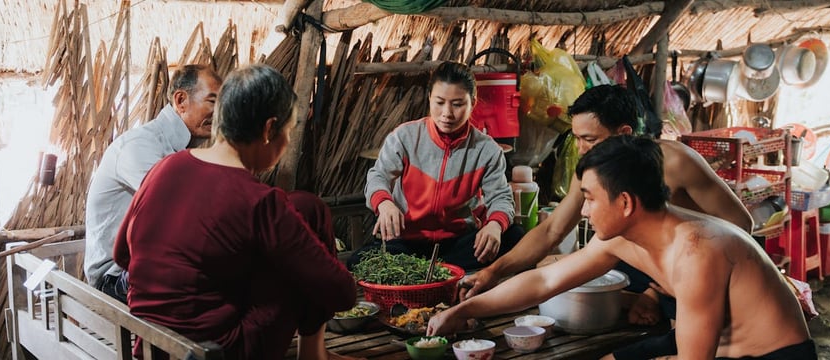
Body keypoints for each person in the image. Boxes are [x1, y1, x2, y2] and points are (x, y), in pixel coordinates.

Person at [428, 135, 815, 359]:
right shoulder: (621, 238)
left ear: (626, 203)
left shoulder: (698, 251)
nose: (584, 211)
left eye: (590, 199)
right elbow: (544, 281)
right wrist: (464, 309)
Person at [112, 64, 357, 359]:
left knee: (306, 205)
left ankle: (313, 353)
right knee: (297, 266)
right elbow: (342, 293)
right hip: (216, 353)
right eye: (289, 131)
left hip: (151, 348)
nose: (289, 142)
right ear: (269, 129)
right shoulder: (259, 200)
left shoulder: (165, 168)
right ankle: (313, 355)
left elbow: (122, 255)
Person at [460, 84, 752, 325]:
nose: (582, 149)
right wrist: (493, 272)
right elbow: (552, 231)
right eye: (576, 139)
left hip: (697, 275)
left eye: (589, 139)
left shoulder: (674, 162)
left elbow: (741, 226)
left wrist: (658, 289)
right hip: (636, 272)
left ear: (624, 133)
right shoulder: (592, 170)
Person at [348, 61, 524, 272]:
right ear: (429, 97)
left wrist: (495, 225)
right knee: (359, 261)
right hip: (406, 244)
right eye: (439, 102)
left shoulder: (487, 150)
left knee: (515, 237)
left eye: (458, 104)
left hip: (457, 243)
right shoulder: (405, 137)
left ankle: (431, 271)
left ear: (473, 102)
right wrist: (385, 204)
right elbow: (377, 177)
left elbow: (501, 198)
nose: (446, 113)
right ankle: (440, 271)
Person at [85, 64, 222, 303]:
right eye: (212, 101)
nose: (219, 112)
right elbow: (180, 212)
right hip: (114, 278)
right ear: (181, 101)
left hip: (143, 267)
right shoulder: (140, 146)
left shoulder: (181, 152)